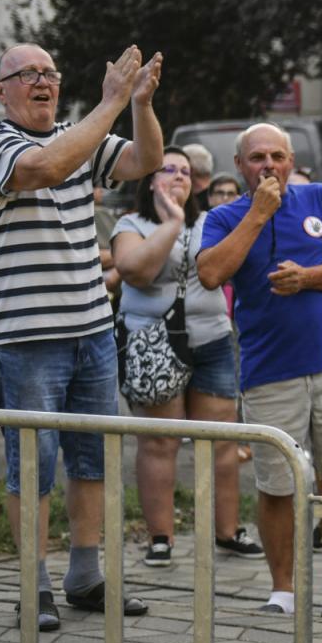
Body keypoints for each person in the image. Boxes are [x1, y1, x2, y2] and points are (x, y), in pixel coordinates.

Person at [0, 42, 164, 631]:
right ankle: (34, 586)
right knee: (33, 464)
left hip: (90, 331)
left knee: (91, 460)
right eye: (27, 73)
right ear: (0, 90)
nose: (43, 81)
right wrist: (107, 103)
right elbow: (46, 168)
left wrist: (139, 103)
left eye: (50, 72)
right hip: (25, 337)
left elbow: (146, 159)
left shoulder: (82, 137)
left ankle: (84, 576)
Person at [199, 123, 322, 623]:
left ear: (292, 160)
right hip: (269, 370)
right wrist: (257, 214)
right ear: (240, 166)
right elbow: (211, 274)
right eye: (257, 158)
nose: (268, 165)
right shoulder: (224, 216)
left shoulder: (319, 197)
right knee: (277, 485)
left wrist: (310, 277)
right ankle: (283, 591)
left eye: (277, 156)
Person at [114, 146, 261, 568]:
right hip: (153, 344)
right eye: (167, 170)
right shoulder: (132, 224)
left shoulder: (211, 222)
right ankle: (161, 537)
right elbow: (135, 271)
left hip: (212, 340)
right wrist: (173, 222)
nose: (178, 177)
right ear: (147, 180)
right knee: (160, 442)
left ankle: (227, 531)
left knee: (221, 441)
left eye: (184, 171)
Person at [180, 142, 215, 211]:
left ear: (191, 170)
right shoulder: (221, 197)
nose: (178, 173)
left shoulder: (192, 205)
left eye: (182, 167)